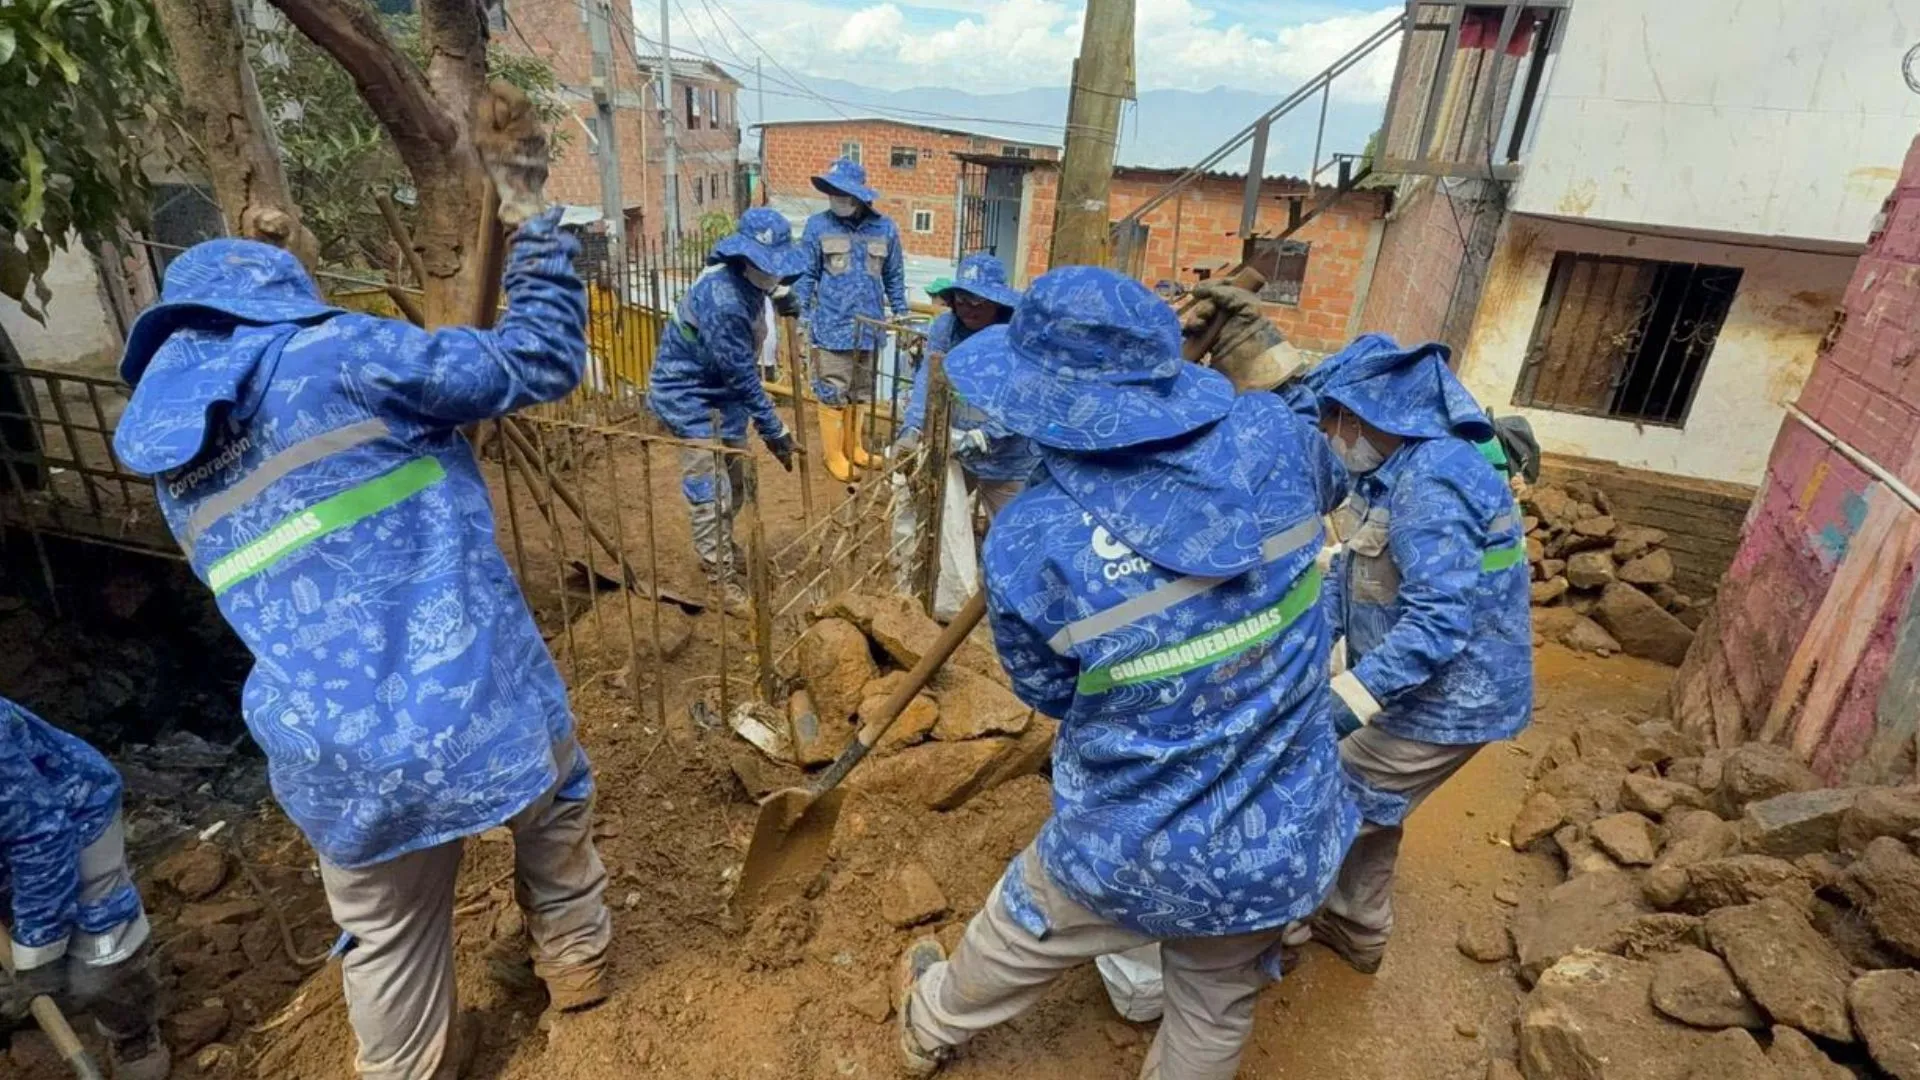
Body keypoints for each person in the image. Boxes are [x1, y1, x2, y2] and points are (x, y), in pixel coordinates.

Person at [111, 86, 613, 1079]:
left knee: (383, 937)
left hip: (332, 754)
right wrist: (535, 216)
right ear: (275, 303)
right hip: (476, 698)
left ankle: (407, 1067)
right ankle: (576, 961)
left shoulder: (171, 465)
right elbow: (542, 358)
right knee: (555, 796)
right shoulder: (335, 354)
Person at [892, 267, 1393, 1080]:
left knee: (1022, 928)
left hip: (1128, 839)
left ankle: (927, 1026)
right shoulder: (1273, 440)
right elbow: (1318, 444)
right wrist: (1261, 357)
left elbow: (1050, 692)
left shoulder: (1031, 539)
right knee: (1215, 1005)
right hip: (1278, 835)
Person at [1291, 333, 1534, 974]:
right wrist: (1305, 652)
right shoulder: (1390, 475)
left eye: (1334, 420)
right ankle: (1356, 927)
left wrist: (1345, 702)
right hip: (1419, 688)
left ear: (1365, 415)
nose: (1330, 434)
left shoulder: (1433, 482)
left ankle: (1269, 935)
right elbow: (1353, 574)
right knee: (1370, 802)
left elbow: (1438, 624)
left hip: (1450, 699)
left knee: (1321, 801)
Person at [646, 207, 805, 612]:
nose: (772, 273)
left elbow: (738, 374)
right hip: (689, 393)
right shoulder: (723, 301)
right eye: (766, 266)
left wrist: (780, 294)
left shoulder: (752, 283)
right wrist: (775, 430)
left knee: (736, 480)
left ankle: (721, 544)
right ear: (742, 258)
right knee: (710, 489)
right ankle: (717, 577)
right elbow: (742, 376)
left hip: (723, 393)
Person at [1, 697, 168, 1080]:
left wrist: (38, 951)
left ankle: (129, 1028)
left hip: (71, 817)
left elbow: (40, 839)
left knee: (99, 963)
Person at [794, 157, 908, 482]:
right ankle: (834, 455)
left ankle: (854, 447)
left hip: (870, 328)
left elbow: (893, 276)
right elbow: (806, 275)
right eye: (832, 192)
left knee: (861, 391)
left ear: (859, 196)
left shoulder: (885, 229)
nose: (837, 198)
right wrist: (801, 317)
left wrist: (901, 313)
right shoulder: (818, 226)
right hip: (832, 326)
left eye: (842, 193)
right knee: (833, 389)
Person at [897, 253, 1034, 521]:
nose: (969, 309)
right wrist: (912, 427)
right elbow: (929, 378)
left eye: (978, 302)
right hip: (958, 445)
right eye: (961, 301)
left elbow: (1025, 395)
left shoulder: (1018, 335)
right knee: (931, 515)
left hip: (1010, 454)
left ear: (997, 301)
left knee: (1010, 528)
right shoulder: (946, 329)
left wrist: (986, 435)